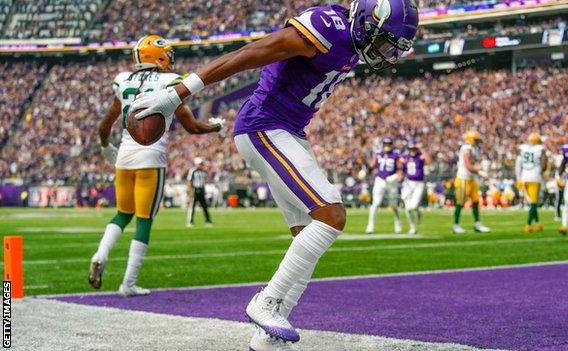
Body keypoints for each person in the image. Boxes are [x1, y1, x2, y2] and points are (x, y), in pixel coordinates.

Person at [127, 0, 418, 348]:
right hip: (265, 126)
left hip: (287, 130)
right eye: (384, 41)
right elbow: (253, 52)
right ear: (367, 20)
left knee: (306, 235)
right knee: (331, 215)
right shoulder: (327, 27)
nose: (385, 53)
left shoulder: (352, 39)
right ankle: (266, 301)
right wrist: (178, 93)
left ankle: (266, 340)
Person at [89, 35, 223, 297]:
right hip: (151, 156)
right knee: (144, 220)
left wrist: (106, 148)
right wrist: (216, 126)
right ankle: (128, 283)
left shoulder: (123, 81)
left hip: (124, 156)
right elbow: (193, 127)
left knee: (122, 214)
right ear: (158, 56)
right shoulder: (168, 83)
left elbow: (104, 126)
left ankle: (100, 254)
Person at [453, 131, 491, 234]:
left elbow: (473, 164)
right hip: (463, 179)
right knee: (460, 203)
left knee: (475, 201)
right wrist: (481, 171)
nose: (477, 142)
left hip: (471, 178)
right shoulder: (467, 149)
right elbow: (468, 166)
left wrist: (480, 167)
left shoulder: (472, 149)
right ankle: (456, 225)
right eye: (475, 140)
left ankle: (477, 224)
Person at [366, 137, 404, 234]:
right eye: (385, 144)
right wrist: (367, 170)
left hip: (391, 181)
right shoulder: (378, 153)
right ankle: (370, 225)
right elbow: (372, 165)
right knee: (376, 203)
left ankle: (397, 222)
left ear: (391, 144)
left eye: (389, 144)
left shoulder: (396, 154)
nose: (387, 146)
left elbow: (400, 168)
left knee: (393, 204)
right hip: (380, 180)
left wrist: (397, 177)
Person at [515, 133, 547, 234]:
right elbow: (544, 164)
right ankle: (528, 225)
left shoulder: (523, 149)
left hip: (524, 177)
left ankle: (538, 224)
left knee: (531, 202)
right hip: (535, 177)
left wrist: (518, 178)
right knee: (533, 203)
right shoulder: (540, 149)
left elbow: (518, 163)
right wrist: (541, 171)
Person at [401, 140, 431, 234]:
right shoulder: (405, 157)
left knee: (413, 206)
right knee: (407, 208)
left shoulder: (420, 157)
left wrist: (422, 149)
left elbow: (429, 161)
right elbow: (400, 168)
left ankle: (418, 212)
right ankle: (412, 227)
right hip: (408, 183)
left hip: (419, 183)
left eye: (414, 148)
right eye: (411, 148)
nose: (412, 150)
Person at [186, 157, 213, 228]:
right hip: (195, 189)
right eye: (200, 164)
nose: (201, 165)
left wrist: (204, 191)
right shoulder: (193, 171)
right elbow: (189, 181)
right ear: (196, 164)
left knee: (205, 207)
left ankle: (208, 221)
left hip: (201, 190)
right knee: (192, 207)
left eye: (202, 164)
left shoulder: (203, 171)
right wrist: (190, 192)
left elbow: (203, 182)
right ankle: (190, 221)